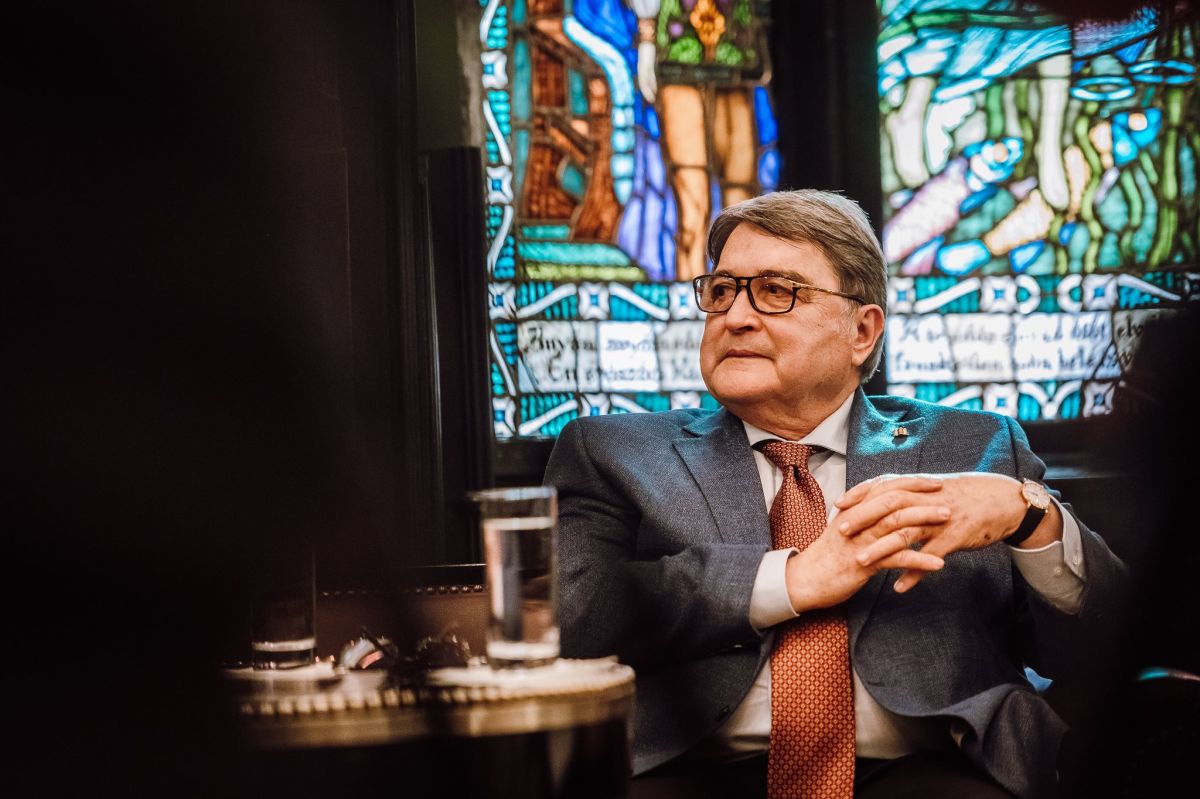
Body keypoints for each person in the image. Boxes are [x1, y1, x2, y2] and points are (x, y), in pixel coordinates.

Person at [543, 189, 1127, 798]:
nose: (735, 316)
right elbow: (567, 621)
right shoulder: (613, 452)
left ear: (862, 331)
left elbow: (1112, 642)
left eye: (776, 291)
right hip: (687, 774)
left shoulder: (974, 447)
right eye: (721, 290)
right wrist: (791, 580)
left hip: (937, 773)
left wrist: (1027, 515)